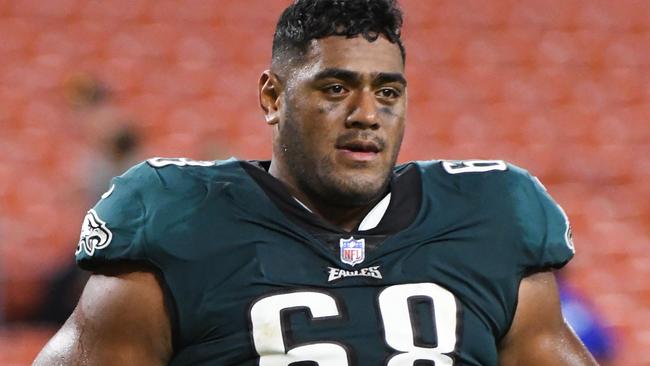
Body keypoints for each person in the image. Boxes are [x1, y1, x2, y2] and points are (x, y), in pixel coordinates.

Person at [34, 1, 598, 365]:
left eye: (388, 92)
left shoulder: (490, 211)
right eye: (335, 88)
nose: (366, 114)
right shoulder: (178, 215)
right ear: (273, 97)